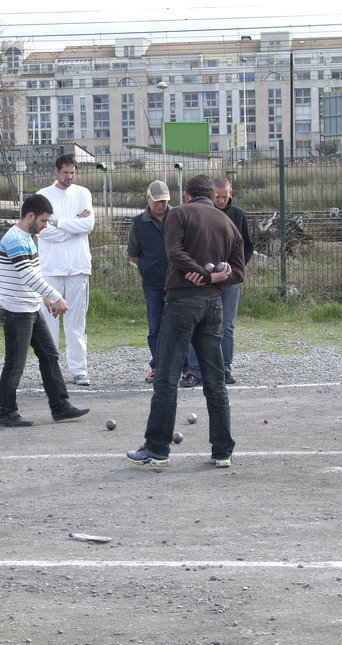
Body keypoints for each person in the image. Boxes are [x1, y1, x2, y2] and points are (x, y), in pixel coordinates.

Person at [127, 174, 245, 468]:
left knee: (166, 377)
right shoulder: (228, 222)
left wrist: (200, 274)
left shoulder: (179, 215)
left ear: (186, 196)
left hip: (181, 303)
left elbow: (173, 253)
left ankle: (157, 449)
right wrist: (216, 275)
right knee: (215, 380)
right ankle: (223, 451)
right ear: (212, 195)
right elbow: (239, 272)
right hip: (213, 305)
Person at [0, 193, 90, 427]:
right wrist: (55, 296)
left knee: (49, 355)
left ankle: (60, 407)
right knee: (15, 364)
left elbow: (35, 271)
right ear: (30, 216)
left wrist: (44, 299)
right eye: (43, 221)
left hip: (31, 308)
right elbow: (26, 275)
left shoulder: (27, 237)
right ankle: (7, 413)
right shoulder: (16, 239)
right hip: (17, 311)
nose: (46, 226)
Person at [181, 177, 255, 388]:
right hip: (205, 278)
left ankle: (224, 369)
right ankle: (195, 371)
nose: (221, 201)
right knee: (198, 322)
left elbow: (247, 246)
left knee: (226, 325)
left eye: (225, 197)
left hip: (229, 280)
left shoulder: (238, 215)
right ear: (212, 195)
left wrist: (235, 269)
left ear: (230, 194)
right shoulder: (200, 214)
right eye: (218, 197)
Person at [36, 153, 95, 386]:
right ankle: (51, 371)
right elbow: (42, 230)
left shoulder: (83, 193)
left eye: (72, 172)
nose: (69, 177)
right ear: (56, 171)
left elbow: (88, 225)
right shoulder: (43, 195)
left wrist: (59, 222)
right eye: (65, 173)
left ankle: (79, 370)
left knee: (76, 321)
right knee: (48, 323)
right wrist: (73, 224)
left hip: (78, 266)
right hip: (50, 267)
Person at [127, 179, 189, 383]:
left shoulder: (180, 217)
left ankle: (186, 367)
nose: (161, 205)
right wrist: (148, 269)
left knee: (182, 325)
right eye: (157, 201)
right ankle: (158, 366)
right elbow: (134, 255)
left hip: (180, 284)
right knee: (156, 328)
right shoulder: (138, 224)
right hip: (153, 285)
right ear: (148, 199)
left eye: (164, 201)